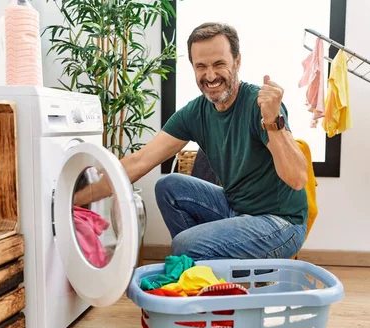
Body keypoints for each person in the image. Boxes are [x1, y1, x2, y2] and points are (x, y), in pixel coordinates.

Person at [74, 22, 309, 261]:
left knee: (184, 245)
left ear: (237, 62)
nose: (210, 76)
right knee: (169, 187)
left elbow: (298, 179)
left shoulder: (260, 105)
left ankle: (203, 267)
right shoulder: (196, 113)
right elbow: (140, 160)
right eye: (201, 66)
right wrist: (70, 200)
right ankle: (208, 268)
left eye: (219, 64)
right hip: (236, 210)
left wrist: (272, 121)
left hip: (281, 223)